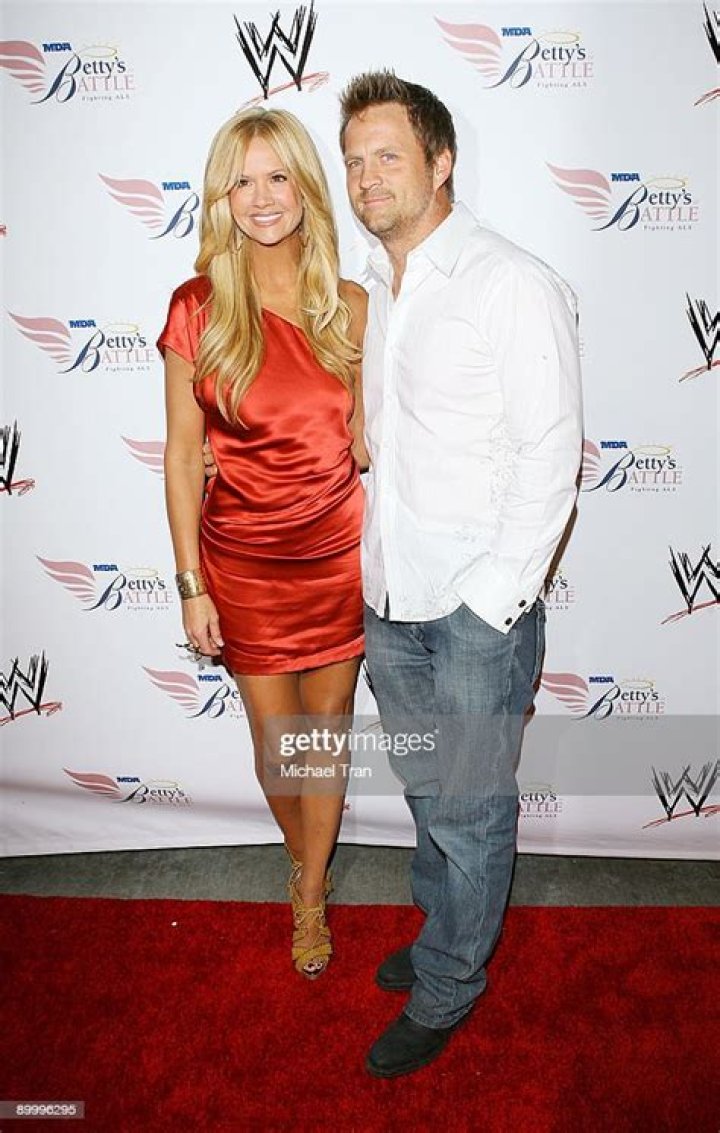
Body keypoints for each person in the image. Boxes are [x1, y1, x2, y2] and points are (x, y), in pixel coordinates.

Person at [338, 72, 583, 1076]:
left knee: (473, 812)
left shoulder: (507, 280)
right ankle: (444, 926)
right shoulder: (378, 288)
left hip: (475, 611)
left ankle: (448, 985)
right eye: (354, 160)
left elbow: (551, 455)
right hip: (392, 597)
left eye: (388, 155)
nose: (367, 177)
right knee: (429, 790)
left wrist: (491, 604)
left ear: (441, 162)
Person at [158, 106, 368, 980]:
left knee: (328, 736)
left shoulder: (350, 306)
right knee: (279, 748)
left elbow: (368, 442)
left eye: (278, 175)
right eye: (241, 181)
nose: (262, 196)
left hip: (339, 557)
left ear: (306, 187)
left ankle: (309, 891)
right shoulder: (197, 308)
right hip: (242, 564)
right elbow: (182, 455)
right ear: (221, 198)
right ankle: (304, 854)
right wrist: (190, 584)